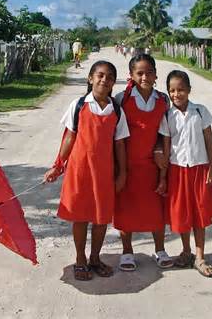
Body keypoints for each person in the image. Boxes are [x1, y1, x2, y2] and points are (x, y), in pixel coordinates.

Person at [44, 60, 129, 281]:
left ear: (113, 83)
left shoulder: (116, 110)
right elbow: (69, 138)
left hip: (104, 173)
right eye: (100, 75)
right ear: (90, 78)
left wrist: (122, 174)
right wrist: (57, 165)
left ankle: (95, 257)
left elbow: (120, 144)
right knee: (80, 217)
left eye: (109, 77)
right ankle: (80, 258)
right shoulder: (79, 105)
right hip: (79, 171)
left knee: (101, 218)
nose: (104, 79)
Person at [114, 54, 174, 271]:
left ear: (156, 74)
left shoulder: (163, 99)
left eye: (149, 72)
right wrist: (117, 169)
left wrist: (160, 149)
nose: (145, 76)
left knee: (156, 208)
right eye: (139, 73)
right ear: (131, 75)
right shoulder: (121, 99)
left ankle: (160, 249)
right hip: (127, 165)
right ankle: (127, 251)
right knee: (125, 208)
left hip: (153, 165)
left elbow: (165, 131)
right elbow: (115, 135)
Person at [161, 70, 212, 277]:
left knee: (199, 214)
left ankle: (200, 255)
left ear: (189, 90)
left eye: (181, 90)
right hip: (177, 171)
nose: (177, 94)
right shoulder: (167, 116)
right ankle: (186, 251)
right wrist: (164, 175)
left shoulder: (200, 112)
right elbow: (166, 147)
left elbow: (209, 141)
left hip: (199, 169)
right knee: (182, 213)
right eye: (172, 91)